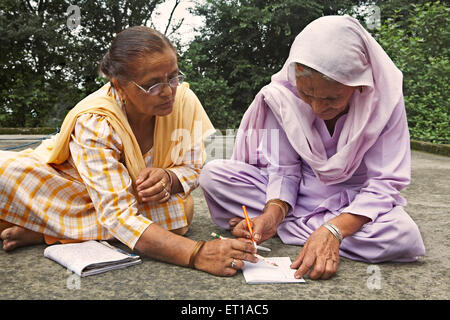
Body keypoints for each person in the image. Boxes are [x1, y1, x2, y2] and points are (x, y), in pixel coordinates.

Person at [0, 26, 257, 277]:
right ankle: (54, 231)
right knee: (172, 216)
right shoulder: (96, 121)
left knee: (179, 213)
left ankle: (52, 230)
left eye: (173, 77)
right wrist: (197, 254)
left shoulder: (184, 102)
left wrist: (170, 179)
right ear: (119, 85)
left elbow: (193, 169)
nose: (168, 92)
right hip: (71, 184)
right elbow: (119, 215)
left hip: (121, 200)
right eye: (152, 84)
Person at [199, 15, 426, 280]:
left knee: (401, 235)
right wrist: (273, 214)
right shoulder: (282, 97)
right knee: (214, 176)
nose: (317, 108)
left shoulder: (383, 101)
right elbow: (284, 170)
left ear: (358, 83)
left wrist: (334, 230)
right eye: (307, 95)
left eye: (332, 98)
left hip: (355, 199)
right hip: (300, 193)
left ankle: (310, 232)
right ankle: (303, 229)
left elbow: (385, 182)